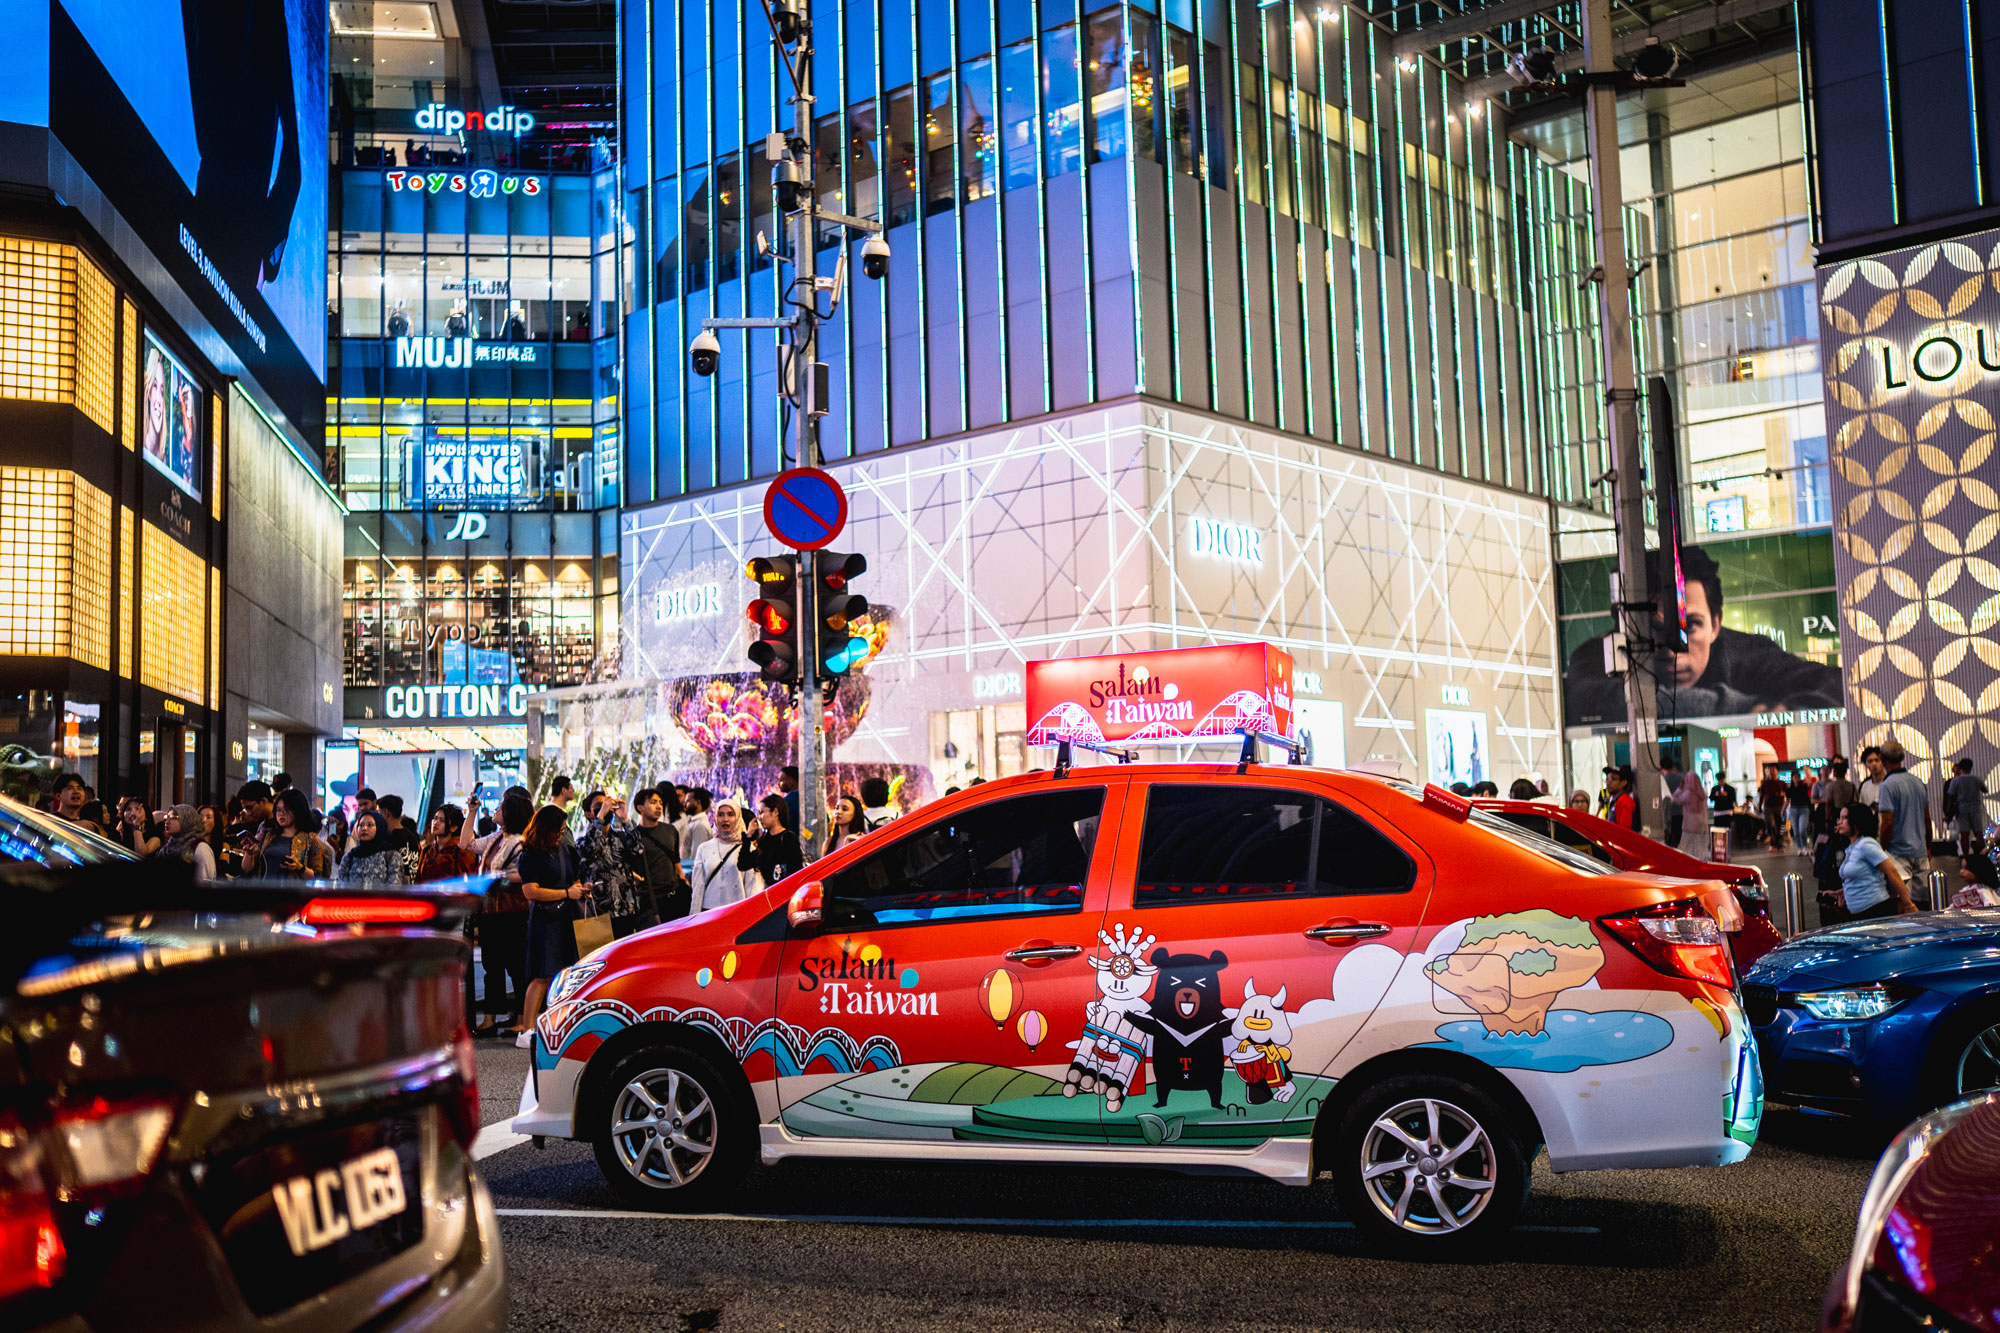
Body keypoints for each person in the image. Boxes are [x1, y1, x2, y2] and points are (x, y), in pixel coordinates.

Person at [1563, 544, 1843, 721]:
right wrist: (1745, 708)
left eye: (1690, 626)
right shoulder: (1597, 654)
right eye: (1653, 630)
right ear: (1625, 629)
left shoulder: (1747, 653)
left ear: (1715, 624)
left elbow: (1833, 685)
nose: (1671, 651)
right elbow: (1585, 699)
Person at [517, 805, 590, 1048]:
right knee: (542, 974)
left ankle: (558, 1026)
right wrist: (567, 893)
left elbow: (574, 880)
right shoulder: (530, 855)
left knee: (566, 972)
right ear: (545, 829)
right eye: (558, 830)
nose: (561, 834)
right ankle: (526, 1029)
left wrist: (581, 890)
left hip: (567, 916)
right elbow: (530, 891)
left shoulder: (567, 851)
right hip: (545, 920)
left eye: (563, 829)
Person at [463, 789, 533, 1036]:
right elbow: (467, 844)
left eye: (501, 807)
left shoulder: (522, 842)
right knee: (492, 966)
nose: (496, 809)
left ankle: (522, 1019)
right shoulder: (497, 838)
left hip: (513, 912)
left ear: (511, 813)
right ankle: (490, 1019)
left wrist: (499, 878)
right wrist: (471, 812)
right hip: (491, 910)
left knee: (516, 965)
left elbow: (527, 874)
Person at [622, 786, 689, 935]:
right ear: (640, 807)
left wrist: (681, 876)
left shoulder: (670, 830)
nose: (659, 806)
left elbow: (675, 858)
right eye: (653, 802)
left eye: (660, 803)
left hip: (673, 896)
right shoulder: (633, 836)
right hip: (649, 901)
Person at [1834, 803, 1916, 919]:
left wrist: (1908, 905)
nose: (1839, 822)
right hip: (1859, 914)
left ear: (1856, 821)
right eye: (1839, 818)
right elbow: (1861, 878)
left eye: (1844, 818)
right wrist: (1843, 892)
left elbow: (1892, 872)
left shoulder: (1866, 844)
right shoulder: (1851, 848)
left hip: (1875, 911)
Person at [1874, 741, 1932, 895]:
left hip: (1898, 853)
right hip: (1920, 851)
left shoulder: (1887, 785)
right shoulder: (1918, 782)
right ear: (1902, 757)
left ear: (1882, 758)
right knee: (1923, 900)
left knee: (1902, 899)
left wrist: (1882, 849)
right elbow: (1927, 819)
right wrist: (1928, 847)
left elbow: (1887, 822)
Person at [690, 798, 758, 913]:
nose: (725, 819)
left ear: (738, 817)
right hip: (708, 913)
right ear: (715, 818)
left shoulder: (747, 849)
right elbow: (698, 888)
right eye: (720, 815)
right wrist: (694, 916)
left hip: (737, 912)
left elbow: (752, 888)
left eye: (730, 814)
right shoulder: (704, 848)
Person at [257, 790, 332, 880]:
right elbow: (250, 869)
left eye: (286, 810)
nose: (281, 813)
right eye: (278, 810)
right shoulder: (269, 835)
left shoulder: (311, 839)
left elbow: (318, 876)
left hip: (293, 887)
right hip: (265, 886)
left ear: (297, 810)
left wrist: (301, 868)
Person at [747, 794, 806, 884]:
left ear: (775, 812)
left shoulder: (788, 838)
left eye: (762, 812)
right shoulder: (764, 841)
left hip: (786, 890)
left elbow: (796, 872)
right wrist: (748, 835)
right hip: (769, 891)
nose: (759, 817)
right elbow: (744, 864)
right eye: (758, 813)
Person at [337, 810, 404, 887]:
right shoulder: (350, 856)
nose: (364, 828)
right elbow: (341, 886)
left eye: (370, 825)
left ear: (379, 827)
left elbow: (394, 887)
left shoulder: (391, 856)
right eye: (361, 825)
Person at [154, 804, 218, 880]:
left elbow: (205, 882)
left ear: (187, 820)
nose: (167, 822)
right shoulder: (166, 847)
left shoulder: (200, 848)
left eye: (173, 818)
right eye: (166, 818)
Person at [416, 804, 477, 881]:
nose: (435, 823)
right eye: (435, 818)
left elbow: (466, 881)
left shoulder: (461, 852)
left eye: (442, 820)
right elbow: (418, 880)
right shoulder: (427, 850)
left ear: (453, 827)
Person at [1945, 757, 1990, 855]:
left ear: (1960, 768)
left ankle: (1966, 857)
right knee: (1979, 834)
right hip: (1976, 809)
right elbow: (1985, 790)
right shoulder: (1976, 779)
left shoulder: (1956, 781)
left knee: (1964, 835)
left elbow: (1951, 797)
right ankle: (1984, 855)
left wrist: (1948, 813)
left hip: (1962, 810)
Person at [1673, 760, 1710, 860]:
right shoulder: (1702, 792)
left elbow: (1675, 800)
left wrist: (1680, 789)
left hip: (1690, 825)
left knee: (1688, 847)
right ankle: (1700, 860)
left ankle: (1690, 861)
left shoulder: (1688, 793)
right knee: (1699, 846)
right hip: (1702, 823)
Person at [678, 786, 714, 862]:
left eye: (687, 801)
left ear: (697, 802)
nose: (684, 804)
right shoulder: (693, 821)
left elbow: (696, 858)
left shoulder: (700, 825)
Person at [1757, 765, 1788, 851]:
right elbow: (1762, 795)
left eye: (1773, 770)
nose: (1771, 772)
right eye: (1770, 770)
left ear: (1777, 771)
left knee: (1780, 826)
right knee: (1770, 824)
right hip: (1768, 807)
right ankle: (1773, 842)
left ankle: (1779, 844)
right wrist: (1759, 806)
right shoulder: (1765, 783)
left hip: (1780, 806)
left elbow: (1788, 794)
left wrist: (1783, 794)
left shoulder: (1782, 783)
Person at [1786, 770, 1813, 852]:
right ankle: (1799, 847)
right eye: (1794, 777)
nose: (1795, 778)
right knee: (1796, 831)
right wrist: (1783, 810)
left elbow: (1810, 784)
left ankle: (1804, 846)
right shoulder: (1790, 789)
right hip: (1793, 810)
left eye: (1797, 777)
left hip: (1803, 809)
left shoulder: (1804, 786)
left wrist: (1807, 775)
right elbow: (1787, 800)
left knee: (1802, 829)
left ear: (1799, 778)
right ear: (1792, 778)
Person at [1605, 766, 1639, 831]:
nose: (1608, 783)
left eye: (1613, 779)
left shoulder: (1625, 801)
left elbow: (1624, 831)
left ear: (1623, 782)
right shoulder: (1616, 800)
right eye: (1607, 779)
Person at [778, 765, 801, 831]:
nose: (778, 783)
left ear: (790, 782)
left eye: (781, 781)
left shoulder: (785, 802)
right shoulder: (811, 799)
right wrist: (808, 835)